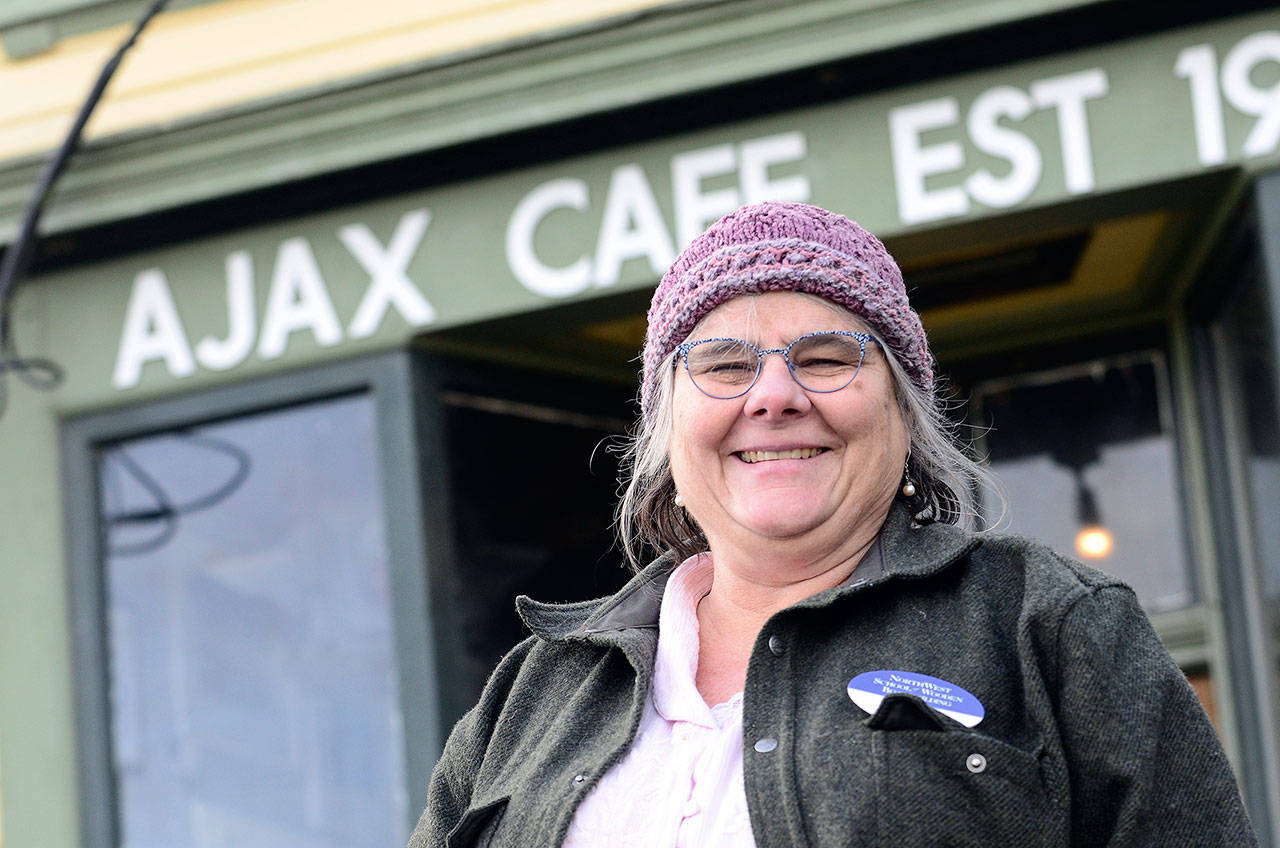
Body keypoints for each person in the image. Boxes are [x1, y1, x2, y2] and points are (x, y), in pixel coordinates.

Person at [408, 202, 1257, 847]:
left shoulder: (1049, 624)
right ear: (667, 429)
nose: (774, 396)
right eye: (725, 366)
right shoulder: (531, 695)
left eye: (824, 359)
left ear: (903, 409)